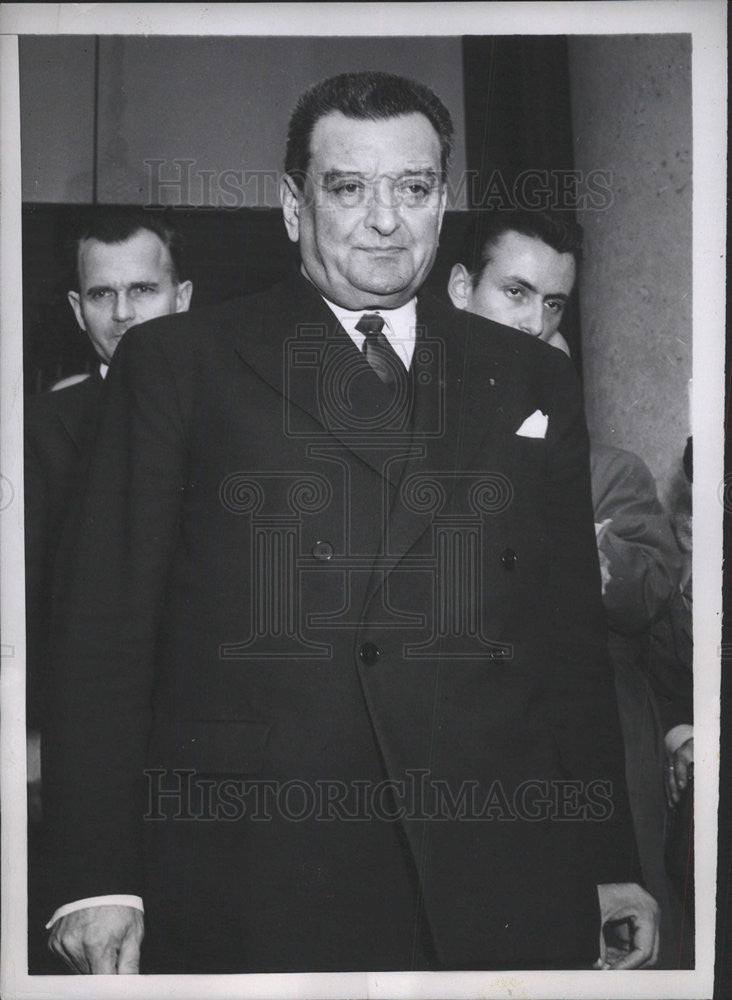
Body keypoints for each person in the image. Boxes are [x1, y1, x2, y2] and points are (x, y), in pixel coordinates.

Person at [43, 73, 656, 975]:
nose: (384, 220)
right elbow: (105, 631)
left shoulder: (529, 378)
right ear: (294, 206)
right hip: (263, 860)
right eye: (347, 187)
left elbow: (565, 639)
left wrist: (608, 860)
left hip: (494, 865)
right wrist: (95, 876)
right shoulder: (178, 363)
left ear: (441, 203)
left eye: (412, 189)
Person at [449, 206, 691, 965]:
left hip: (588, 739)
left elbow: (643, 595)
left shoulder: (608, 469)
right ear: (461, 288)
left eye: (553, 304)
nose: (534, 321)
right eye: (516, 292)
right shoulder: (403, 430)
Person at [23, 208, 193, 970]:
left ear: (182, 297)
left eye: (143, 290)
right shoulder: (39, 428)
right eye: (101, 295)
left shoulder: (235, 413)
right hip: (91, 751)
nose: (123, 315)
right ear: (75, 308)